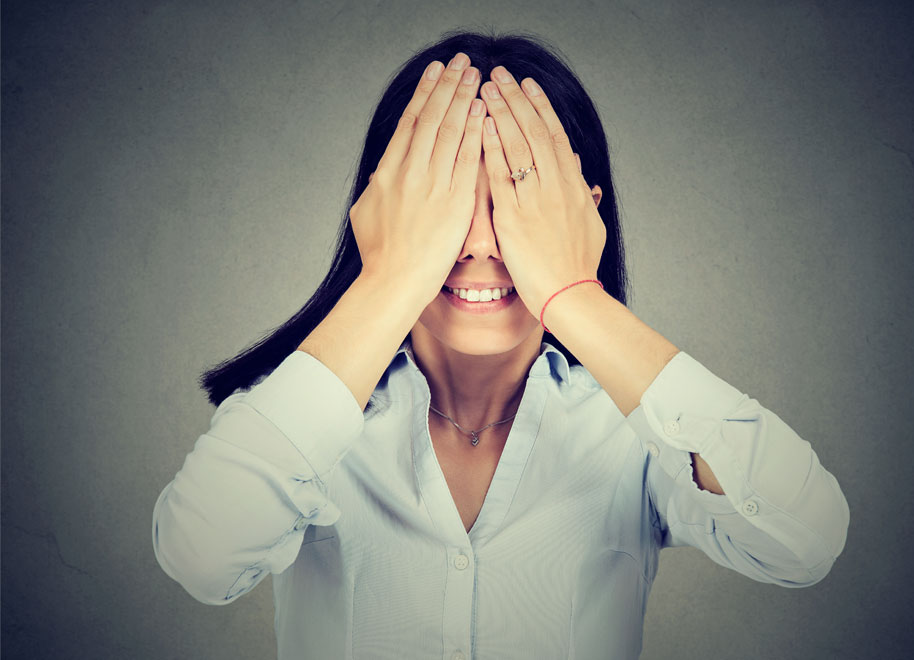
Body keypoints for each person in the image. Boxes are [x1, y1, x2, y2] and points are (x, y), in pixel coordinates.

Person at [152, 30, 850, 660]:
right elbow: (202, 557)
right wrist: (390, 277)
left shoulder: (638, 434)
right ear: (381, 211)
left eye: (516, 203)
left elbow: (804, 540)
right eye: (447, 206)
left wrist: (575, 292)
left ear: (584, 214)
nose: (482, 244)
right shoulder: (300, 421)